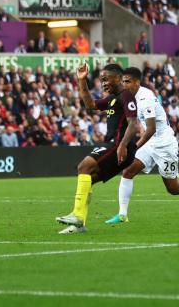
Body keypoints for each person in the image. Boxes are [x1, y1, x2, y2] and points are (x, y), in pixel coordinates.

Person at [105, 67, 179, 224]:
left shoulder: (145, 98)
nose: (124, 85)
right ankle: (122, 215)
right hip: (150, 142)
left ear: (137, 82)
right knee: (127, 172)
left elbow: (151, 129)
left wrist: (133, 147)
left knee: (174, 189)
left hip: (164, 144)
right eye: (123, 81)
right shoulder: (128, 97)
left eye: (128, 81)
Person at [55, 63, 138, 234]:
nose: (104, 83)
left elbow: (133, 124)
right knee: (88, 177)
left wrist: (122, 145)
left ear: (118, 78)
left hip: (118, 146)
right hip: (116, 146)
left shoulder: (126, 96)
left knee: (84, 167)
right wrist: (81, 80)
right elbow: (90, 104)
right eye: (102, 80)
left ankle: (77, 216)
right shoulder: (112, 99)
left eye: (106, 79)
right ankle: (80, 224)